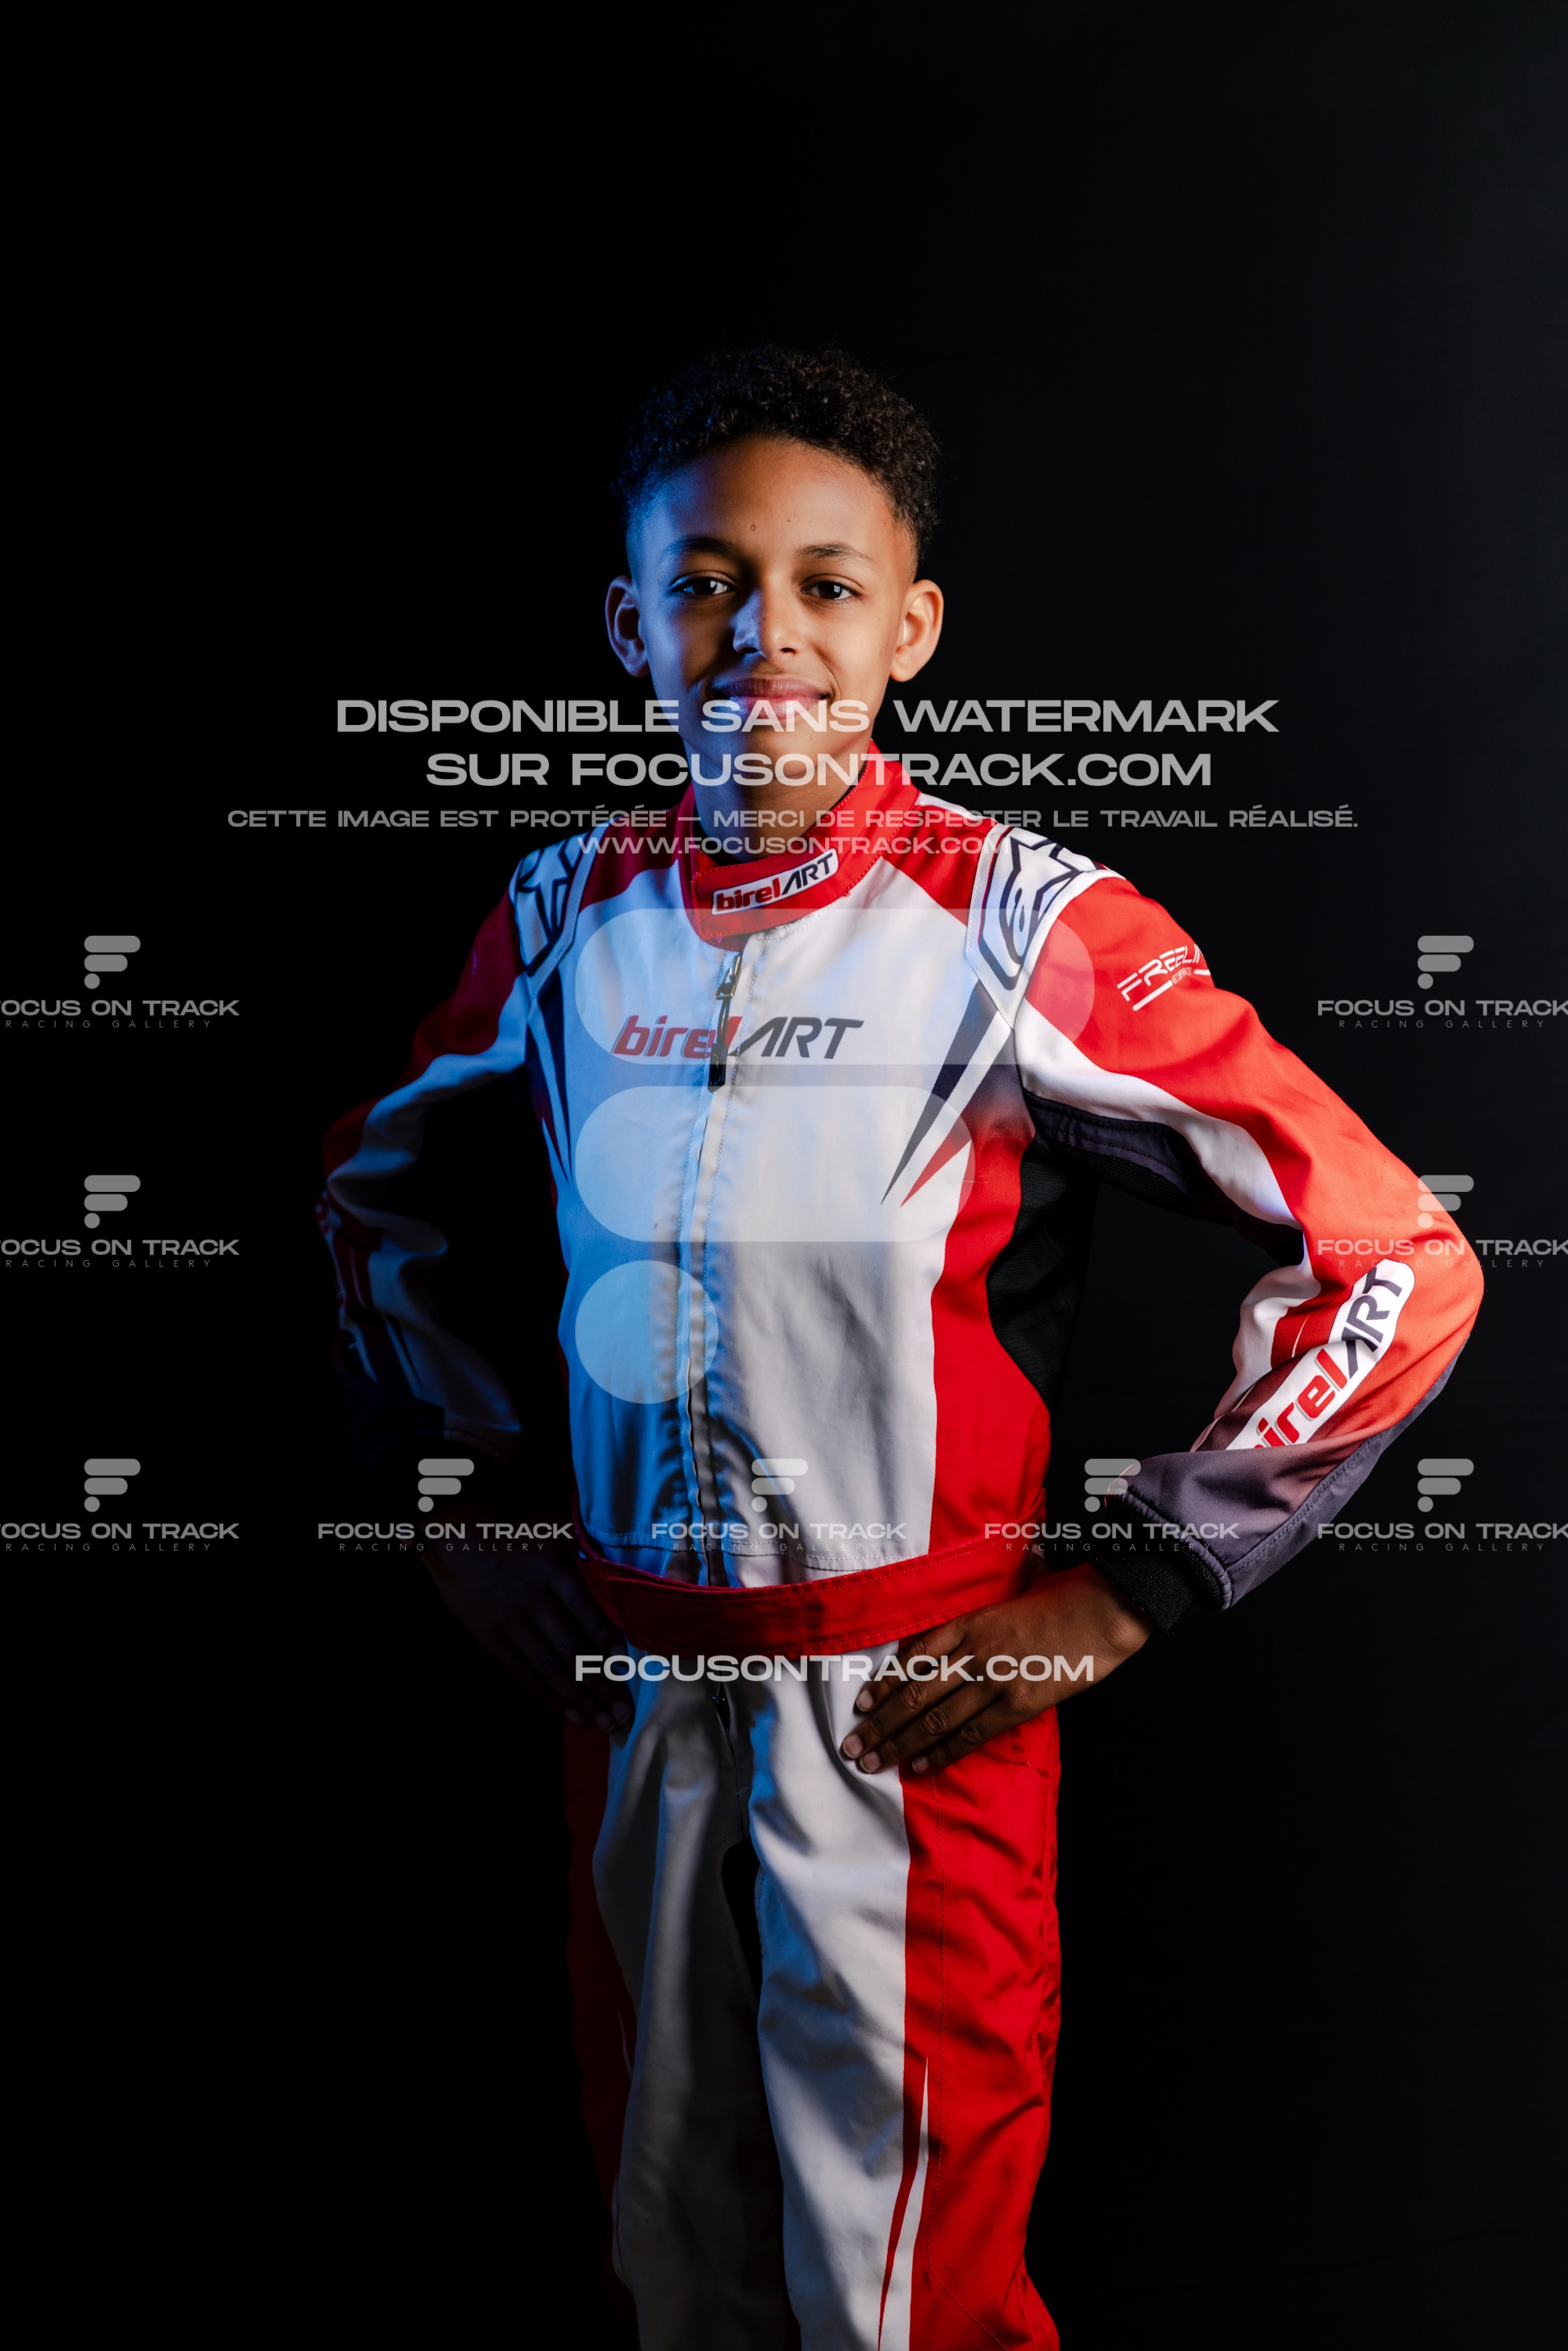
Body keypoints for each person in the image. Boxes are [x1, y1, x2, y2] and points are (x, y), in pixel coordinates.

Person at [320, 347, 1483, 2349]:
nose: (761, 634)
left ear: (910, 629)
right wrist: (454, 1510)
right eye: (703, 584)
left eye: (826, 585)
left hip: (905, 1714)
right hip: (629, 1693)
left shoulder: (1020, 922)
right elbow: (365, 1202)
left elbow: (1392, 1259)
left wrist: (1137, 1579)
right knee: (666, 2270)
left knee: (904, 2310)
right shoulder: (567, 908)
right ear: (627, 627)